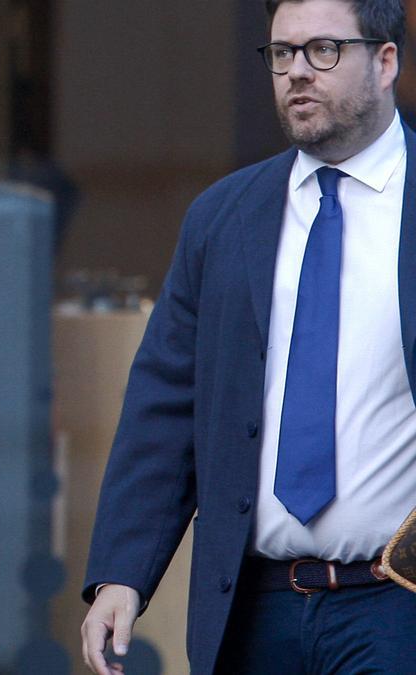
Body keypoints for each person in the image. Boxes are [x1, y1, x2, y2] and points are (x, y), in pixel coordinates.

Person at [80, 1, 416, 673]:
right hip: (254, 608)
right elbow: (166, 404)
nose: (297, 72)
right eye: (282, 53)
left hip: (395, 610)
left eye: (323, 50)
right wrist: (123, 571)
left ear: (385, 62)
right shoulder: (223, 217)